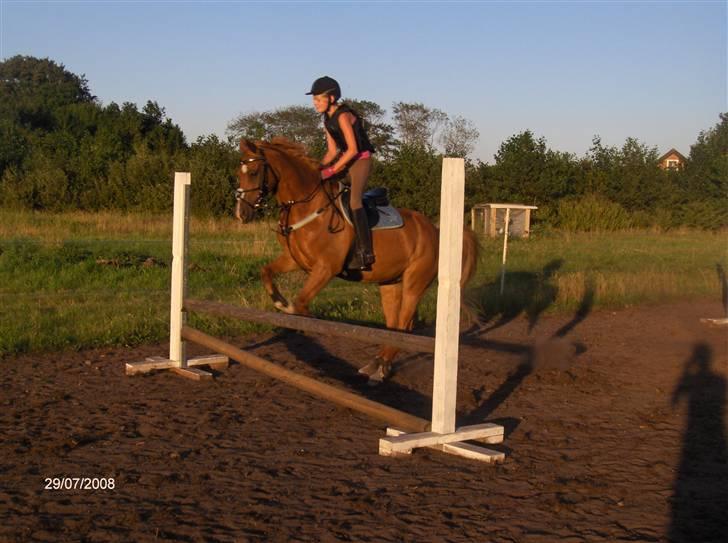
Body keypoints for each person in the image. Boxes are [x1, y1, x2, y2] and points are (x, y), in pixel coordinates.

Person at [306, 76, 376, 270]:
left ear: (331, 98)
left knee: (354, 202)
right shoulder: (326, 119)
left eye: (318, 99)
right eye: (314, 100)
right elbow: (332, 151)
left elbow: (353, 149)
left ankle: (365, 253)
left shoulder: (343, 116)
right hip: (347, 161)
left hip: (361, 161)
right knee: (325, 190)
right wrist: (316, 168)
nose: (315, 103)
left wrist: (332, 170)